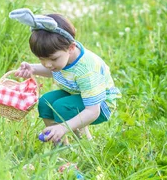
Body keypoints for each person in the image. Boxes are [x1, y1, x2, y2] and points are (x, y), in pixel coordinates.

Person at [10, 8, 121, 143]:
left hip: (101, 105)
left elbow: (93, 111)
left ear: (71, 48)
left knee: (63, 107)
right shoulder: (63, 57)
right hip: (77, 94)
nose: (47, 64)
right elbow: (54, 70)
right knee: (46, 103)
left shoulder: (86, 70)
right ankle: (59, 144)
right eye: (41, 59)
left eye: (53, 59)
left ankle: (84, 144)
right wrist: (32, 68)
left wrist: (63, 127)